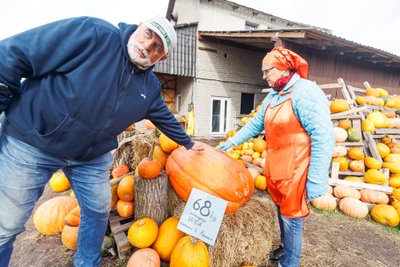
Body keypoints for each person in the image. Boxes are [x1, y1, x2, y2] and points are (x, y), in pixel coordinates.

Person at [0, 15, 203, 267]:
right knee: (5, 225)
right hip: (32, 141)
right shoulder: (93, 35)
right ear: (139, 27)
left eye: (157, 47)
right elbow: (15, 53)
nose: (147, 45)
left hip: (90, 157)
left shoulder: (149, 87)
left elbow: (164, 117)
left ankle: (87, 262)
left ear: (162, 58)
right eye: (148, 34)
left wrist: (189, 143)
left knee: (97, 210)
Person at [218, 47, 335, 267]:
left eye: (266, 71)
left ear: (282, 69)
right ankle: (286, 249)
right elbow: (255, 124)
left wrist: (317, 178)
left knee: (292, 218)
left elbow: (323, 135)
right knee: (281, 211)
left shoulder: (305, 91)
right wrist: (232, 142)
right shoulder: (274, 95)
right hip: (277, 167)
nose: (263, 76)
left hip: (297, 169)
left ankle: (290, 262)